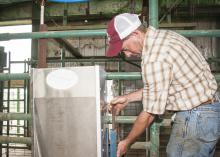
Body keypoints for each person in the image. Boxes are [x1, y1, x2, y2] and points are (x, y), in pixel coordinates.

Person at [106, 13, 220, 157]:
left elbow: (149, 114)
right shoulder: (164, 37)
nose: (127, 55)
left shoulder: (154, 57)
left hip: (194, 119)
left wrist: (126, 142)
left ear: (135, 34)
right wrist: (128, 98)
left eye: (125, 49)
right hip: (207, 114)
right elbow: (161, 86)